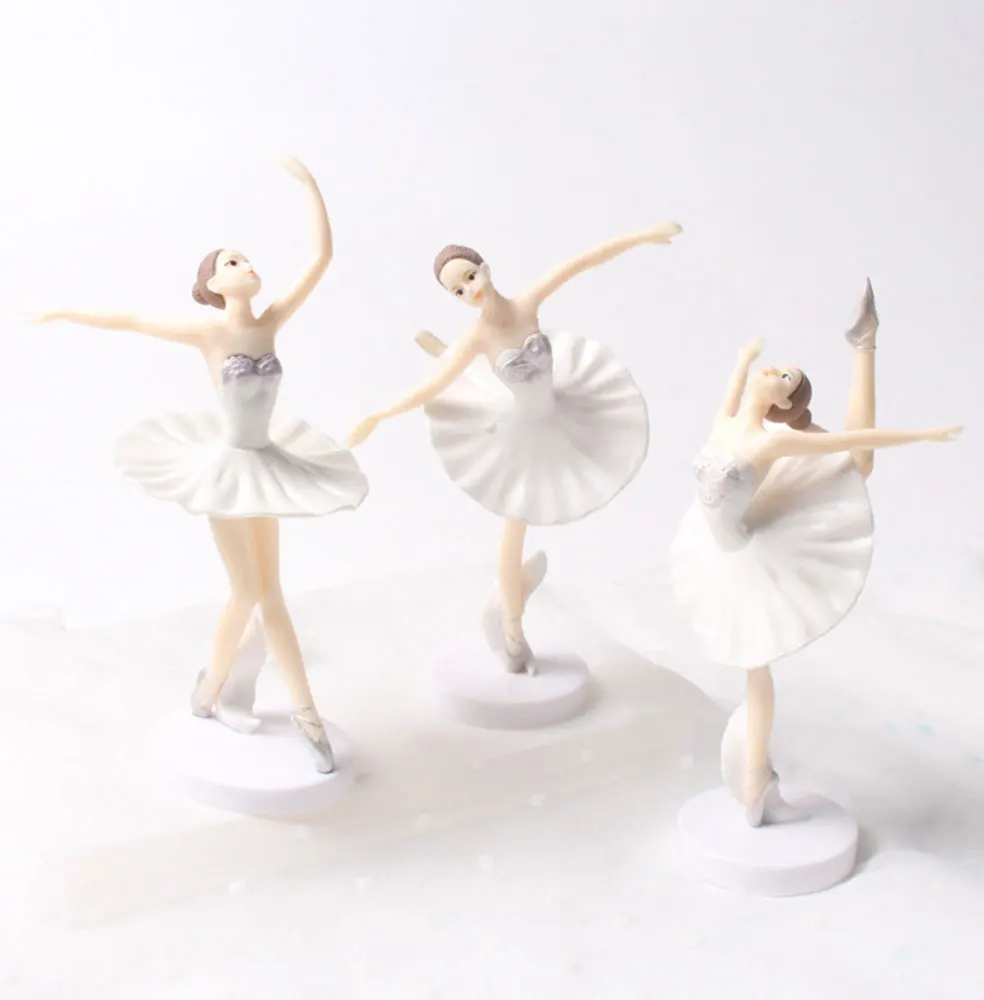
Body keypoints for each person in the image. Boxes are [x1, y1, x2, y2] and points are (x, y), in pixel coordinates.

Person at [30, 157, 367, 773]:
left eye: (246, 259)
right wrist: (63, 313)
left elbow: (321, 258)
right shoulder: (209, 334)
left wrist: (311, 186)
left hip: (267, 463)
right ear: (213, 284)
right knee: (249, 590)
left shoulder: (270, 323)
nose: (246, 265)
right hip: (226, 471)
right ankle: (217, 690)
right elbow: (132, 320)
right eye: (231, 262)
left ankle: (297, 710)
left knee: (271, 592)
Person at [671, 280, 962, 824]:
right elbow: (734, 387)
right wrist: (744, 358)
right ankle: (756, 780)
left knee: (756, 669)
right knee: (751, 667)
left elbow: (848, 444)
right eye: (780, 369)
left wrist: (924, 434)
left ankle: (755, 780)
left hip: (754, 551)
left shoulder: (774, 441)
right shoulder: (728, 422)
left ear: (783, 403)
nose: (775, 371)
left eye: (785, 377)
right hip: (717, 550)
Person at [349, 223, 681, 673]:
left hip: (561, 412)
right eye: (458, 291)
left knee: (566, 485)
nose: (470, 290)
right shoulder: (477, 338)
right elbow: (431, 388)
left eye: (470, 277)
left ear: (485, 268)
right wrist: (379, 416)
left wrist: (643, 236)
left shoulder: (526, 304)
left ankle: (510, 618)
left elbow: (582, 261)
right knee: (514, 523)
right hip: (518, 432)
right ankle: (512, 628)